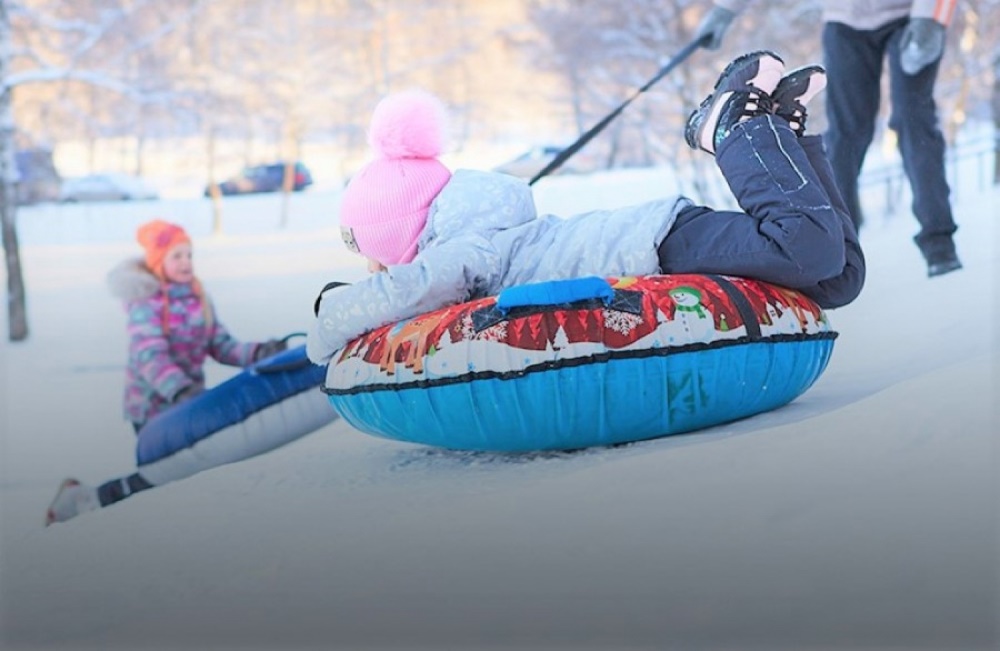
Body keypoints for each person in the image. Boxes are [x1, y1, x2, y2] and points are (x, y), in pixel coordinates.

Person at [308, 52, 865, 365]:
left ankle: (733, 128)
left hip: (659, 244)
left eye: (382, 257)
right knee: (839, 276)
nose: (387, 272)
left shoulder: (467, 250)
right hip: (665, 235)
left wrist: (327, 322)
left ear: (404, 238)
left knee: (806, 247)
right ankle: (779, 135)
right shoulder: (487, 235)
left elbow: (406, 290)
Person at [44, 219, 289, 525]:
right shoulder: (145, 301)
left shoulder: (197, 295)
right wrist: (179, 389)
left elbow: (220, 344)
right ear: (159, 261)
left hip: (187, 401)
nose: (186, 262)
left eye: (189, 255)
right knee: (163, 472)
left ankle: (93, 499)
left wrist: (258, 353)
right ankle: (85, 500)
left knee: (179, 471)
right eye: (177, 256)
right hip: (151, 406)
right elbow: (149, 356)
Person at [694, 0, 962, 277]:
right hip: (845, 20)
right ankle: (840, 246)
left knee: (913, 119)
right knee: (846, 134)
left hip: (912, 17)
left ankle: (939, 242)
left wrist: (931, 20)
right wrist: (724, 10)